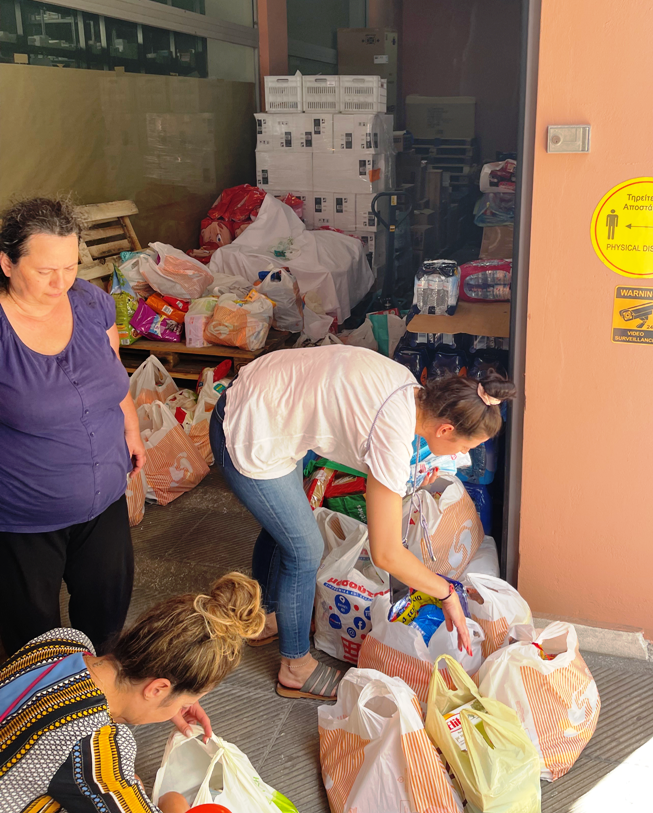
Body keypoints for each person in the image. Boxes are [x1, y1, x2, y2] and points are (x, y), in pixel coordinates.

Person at [209, 346, 515, 701]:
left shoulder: (411, 390)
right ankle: (295, 667)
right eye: (466, 447)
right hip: (248, 425)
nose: (463, 455)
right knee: (305, 549)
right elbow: (386, 554)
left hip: (269, 399)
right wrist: (445, 592)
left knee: (285, 524)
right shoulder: (391, 434)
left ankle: (268, 616)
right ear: (445, 429)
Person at [0, 197, 146, 657]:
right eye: (45, 270)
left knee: (105, 622)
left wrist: (131, 431)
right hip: (24, 516)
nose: (60, 282)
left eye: (69, 266)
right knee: (33, 642)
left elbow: (114, 372)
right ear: (6, 263)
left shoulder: (90, 302)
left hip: (105, 500)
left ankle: (94, 694)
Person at [0, 571, 265, 813]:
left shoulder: (63, 642)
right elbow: (84, 747)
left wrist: (170, 703)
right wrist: (172, 802)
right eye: (185, 702)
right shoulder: (96, 748)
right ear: (157, 688)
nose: (182, 710)